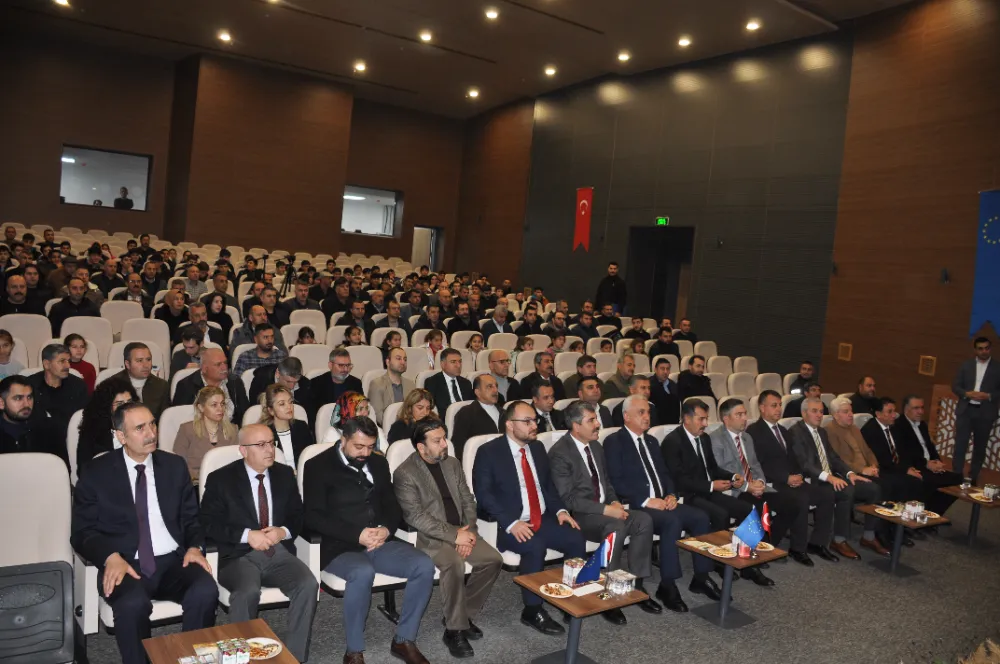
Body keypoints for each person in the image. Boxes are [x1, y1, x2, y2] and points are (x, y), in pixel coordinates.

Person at [70, 402, 217, 664]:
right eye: (140, 428)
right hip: (124, 563)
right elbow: (82, 531)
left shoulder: (174, 466)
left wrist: (195, 547)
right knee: (131, 604)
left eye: (152, 424)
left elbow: (191, 518)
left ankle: (190, 659)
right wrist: (109, 556)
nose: (151, 433)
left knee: (205, 589)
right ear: (121, 436)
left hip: (173, 561)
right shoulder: (96, 472)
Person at [303, 417, 435, 664]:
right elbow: (313, 516)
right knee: (362, 572)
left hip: (379, 541)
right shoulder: (317, 466)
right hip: (339, 546)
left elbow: (392, 504)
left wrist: (386, 528)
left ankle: (404, 639)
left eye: (370, 446)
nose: (365, 453)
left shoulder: (378, 462)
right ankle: (354, 651)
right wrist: (357, 534)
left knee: (423, 565)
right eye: (359, 446)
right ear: (343, 440)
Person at [198, 423, 318, 662]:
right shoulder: (221, 479)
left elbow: (298, 515)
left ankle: (295, 657)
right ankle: (242, 658)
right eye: (261, 445)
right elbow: (208, 523)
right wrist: (247, 535)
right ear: (243, 450)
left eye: (271, 443)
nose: (270, 450)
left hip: (278, 552)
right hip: (238, 556)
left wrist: (282, 531)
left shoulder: (284, 474)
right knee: (247, 592)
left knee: (308, 584)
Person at [472, 401, 586, 636]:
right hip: (507, 523)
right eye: (527, 421)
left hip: (541, 517)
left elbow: (548, 487)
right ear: (509, 425)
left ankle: (570, 595)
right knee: (535, 546)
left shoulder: (537, 448)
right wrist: (511, 523)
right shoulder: (489, 452)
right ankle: (532, 610)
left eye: (535, 420)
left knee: (575, 537)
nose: (534, 425)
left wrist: (560, 511)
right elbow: (483, 495)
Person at [393, 419, 503, 657]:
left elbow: (467, 499)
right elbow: (416, 517)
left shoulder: (452, 463)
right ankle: (454, 630)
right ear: (421, 447)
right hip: (430, 537)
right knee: (454, 563)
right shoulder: (405, 473)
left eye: (444, 438)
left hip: (463, 530)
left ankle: (462, 616)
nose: (445, 444)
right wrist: (455, 536)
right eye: (437, 441)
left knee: (493, 560)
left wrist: (469, 531)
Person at [605, 395, 722, 610]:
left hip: (663, 502)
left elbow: (665, 474)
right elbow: (615, 481)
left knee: (700, 517)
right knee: (672, 522)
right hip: (637, 505)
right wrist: (647, 500)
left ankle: (701, 576)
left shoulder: (651, 441)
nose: (646, 417)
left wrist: (671, 494)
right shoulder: (614, 442)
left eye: (648, 412)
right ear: (626, 416)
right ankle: (667, 585)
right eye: (641, 412)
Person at [548, 401, 659, 623]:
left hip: (604, 510)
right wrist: (606, 510)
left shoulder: (596, 447)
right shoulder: (560, 453)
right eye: (591, 420)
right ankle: (608, 590)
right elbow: (568, 499)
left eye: (596, 418)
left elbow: (606, 483)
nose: (598, 424)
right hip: (581, 516)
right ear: (576, 426)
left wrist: (614, 502)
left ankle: (637, 583)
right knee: (615, 526)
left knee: (643, 520)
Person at [709, 398, 805, 583]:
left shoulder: (746, 437)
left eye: (745, 414)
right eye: (739, 415)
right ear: (726, 419)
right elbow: (722, 471)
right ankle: (749, 566)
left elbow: (755, 465)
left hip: (754, 485)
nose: (745, 418)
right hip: (733, 489)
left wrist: (759, 482)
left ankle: (765, 546)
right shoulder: (716, 439)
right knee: (755, 508)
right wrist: (747, 486)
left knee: (792, 504)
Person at [786, 397, 880, 560]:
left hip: (830, 477)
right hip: (810, 480)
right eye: (814, 411)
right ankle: (837, 540)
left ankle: (869, 536)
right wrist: (829, 478)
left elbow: (834, 458)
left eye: (821, 411)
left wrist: (850, 473)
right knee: (845, 491)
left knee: (872, 488)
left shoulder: (821, 432)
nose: (819, 415)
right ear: (804, 413)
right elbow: (805, 463)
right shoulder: (795, 432)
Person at [746, 390, 831, 564]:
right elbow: (758, 464)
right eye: (774, 405)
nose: (779, 409)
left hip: (790, 480)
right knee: (800, 498)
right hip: (771, 482)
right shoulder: (754, 431)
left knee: (826, 495)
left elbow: (794, 459)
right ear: (762, 408)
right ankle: (797, 548)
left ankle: (817, 543)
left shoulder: (783, 431)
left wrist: (798, 475)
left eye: (780, 405)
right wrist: (786, 478)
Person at [862, 397, 957, 516]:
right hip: (882, 469)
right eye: (889, 412)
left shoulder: (893, 428)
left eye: (894, 411)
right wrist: (905, 470)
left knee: (918, 480)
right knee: (910, 482)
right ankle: (898, 520)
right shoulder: (870, 430)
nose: (894, 415)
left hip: (895, 467)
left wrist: (909, 467)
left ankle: (918, 516)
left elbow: (903, 452)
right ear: (878, 414)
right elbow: (882, 459)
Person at [891, 395, 963, 507]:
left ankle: (936, 511)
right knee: (932, 482)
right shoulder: (898, 425)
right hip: (916, 466)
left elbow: (930, 447)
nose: (920, 411)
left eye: (922, 408)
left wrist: (937, 461)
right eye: (916, 408)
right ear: (906, 409)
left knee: (959, 479)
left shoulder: (922, 424)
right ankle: (929, 510)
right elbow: (905, 452)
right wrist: (926, 464)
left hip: (929, 465)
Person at [951, 337, 1000, 482]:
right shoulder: (966, 365)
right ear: (975, 350)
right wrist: (967, 394)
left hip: (985, 412)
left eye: (986, 348)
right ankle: (956, 476)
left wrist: (989, 396)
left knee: (980, 447)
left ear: (990, 349)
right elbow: (955, 386)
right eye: (980, 348)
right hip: (966, 410)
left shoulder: (997, 368)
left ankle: (973, 478)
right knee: (960, 445)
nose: (984, 351)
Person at [174, 386, 240, 479]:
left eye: (222, 404)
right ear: (201, 407)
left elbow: (237, 463)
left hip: (225, 481)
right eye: (214, 405)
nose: (220, 409)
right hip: (195, 481)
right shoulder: (187, 429)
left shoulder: (233, 430)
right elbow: (178, 463)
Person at [173, 348, 250, 426]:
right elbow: (180, 417)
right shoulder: (186, 386)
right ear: (204, 368)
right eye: (218, 364)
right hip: (200, 430)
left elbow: (245, 413)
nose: (224, 367)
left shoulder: (235, 382)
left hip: (233, 429)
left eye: (225, 363)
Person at [0, 375, 67, 464]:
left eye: (29, 397)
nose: (26, 404)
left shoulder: (50, 429)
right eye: (18, 398)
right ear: (1, 403)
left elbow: (61, 468)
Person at [76, 379, 137, 472]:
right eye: (119, 404)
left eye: (129, 402)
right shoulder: (91, 431)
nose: (126, 407)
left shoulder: (141, 426)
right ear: (107, 406)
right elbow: (84, 469)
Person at [28, 343, 88, 429]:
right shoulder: (29, 385)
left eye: (68, 361)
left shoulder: (78, 386)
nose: (68, 366)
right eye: (62, 361)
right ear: (46, 364)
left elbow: (84, 418)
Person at [258, 383, 314, 471]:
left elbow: (311, 456)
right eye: (282, 404)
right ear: (271, 410)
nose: (289, 407)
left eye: (290, 402)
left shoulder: (301, 427)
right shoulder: (263, 434)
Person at [113, 342, 171, 420]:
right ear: (127, 364)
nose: (146, 365)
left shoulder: (162, 386)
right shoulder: (113, 385)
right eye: (139, 361)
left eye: (148, 359)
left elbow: (165, 420)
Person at [248, 356, 315, 423]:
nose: (292, 386)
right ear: (278, 373)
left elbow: (309, 415)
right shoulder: (261, 382)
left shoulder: (305, 385)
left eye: (295, 382)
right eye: (288, 381)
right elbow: (256, 411)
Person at [451, 374, 502, 460]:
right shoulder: (466, 413)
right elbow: (458, 446)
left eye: (496, 386)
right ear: (477, 392)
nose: (495, 390)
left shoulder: (504, 412)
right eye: (490, 386)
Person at [368, 347, 415, 427]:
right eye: (398, 358)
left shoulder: (411, 384)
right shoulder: (377, 384)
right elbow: (378, 415)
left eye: (405, 359)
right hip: (388, 428)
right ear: (388, 362)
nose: (403, 362)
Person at [425, 348, 474, 415]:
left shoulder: (466, 383)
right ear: (443, 364)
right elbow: (430, 408)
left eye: (460, 361)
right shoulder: (432, 382)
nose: (458, 365)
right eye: (453, 362)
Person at [649, 357, 680, 425]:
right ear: (655, 370)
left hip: (673, 422)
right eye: (662, 369)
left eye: (667, 369)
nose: (665, 372)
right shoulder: (649, 385)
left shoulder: (673, 384)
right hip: (656, 423)